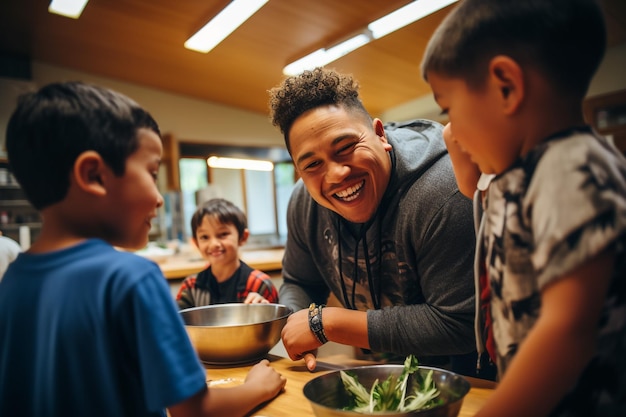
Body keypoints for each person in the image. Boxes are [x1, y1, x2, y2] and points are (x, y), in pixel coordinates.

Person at [0, 81, 286, 417]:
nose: (160, 197)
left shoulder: (13, 280)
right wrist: (257, 388)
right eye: (152, 173)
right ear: (93, 176)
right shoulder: (131, 278)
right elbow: (193, 411)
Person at [421, 0, 626, 416]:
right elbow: (471, 183)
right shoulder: (517, 175)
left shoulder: (570, 168)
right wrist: (457, 124)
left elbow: (568, 331)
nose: (452, 132)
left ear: (507, 88)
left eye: (449, 109)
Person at [268, 67, 496, 379]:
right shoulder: (304, 202)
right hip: (380, 373)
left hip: (465, 380)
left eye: (346, 147)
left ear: (379, 134)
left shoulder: (444, 190)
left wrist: (327, 323)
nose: (336, 175)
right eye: (312, 164)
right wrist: (299, 323)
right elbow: (300, 281)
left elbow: (460, 323)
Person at [176, 197, 279, 309]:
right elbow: (175, 323)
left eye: (223, 234)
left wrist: (264, 309)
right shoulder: (191, 287)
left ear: (243, 237)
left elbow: (277, 324)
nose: (214, 244)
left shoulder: (259, 284)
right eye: (204, 237)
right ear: (196, 243)